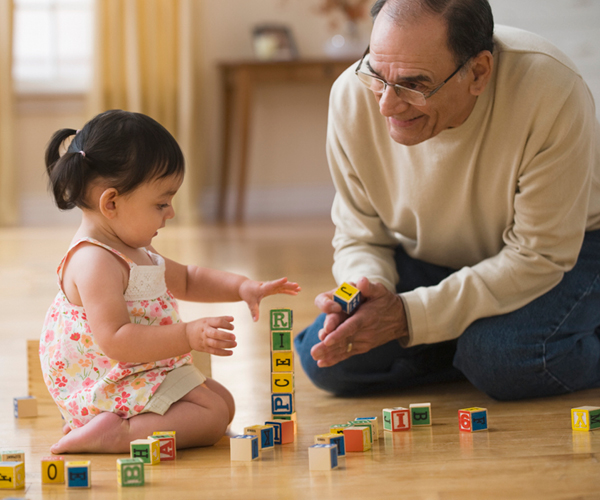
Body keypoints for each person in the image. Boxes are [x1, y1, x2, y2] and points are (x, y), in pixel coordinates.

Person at [295, 0, 600, 401]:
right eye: (377, 73)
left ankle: (479, 350)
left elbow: (539, 255)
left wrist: (409, 318)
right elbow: (360, 236)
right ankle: (469, 349)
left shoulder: (550, 87)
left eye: (414, 83)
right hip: (436, 256)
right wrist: (367, 294)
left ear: (478, 72)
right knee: (331, 356)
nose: (386, 105)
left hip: (568, 251)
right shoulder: (353, 94)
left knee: (499, 358)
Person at [40, 110, 300, 454]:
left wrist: (241, 288)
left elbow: (189, 280)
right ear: (112, 202)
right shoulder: (95, 261)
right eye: (161, 203)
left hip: (140, 370)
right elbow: (116, 339)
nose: (171, 213)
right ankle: (117, 432)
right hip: (108, 381)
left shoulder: (134, 247)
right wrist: (188, 335)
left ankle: (123, 426)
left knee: (223, 402)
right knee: (211, 416)